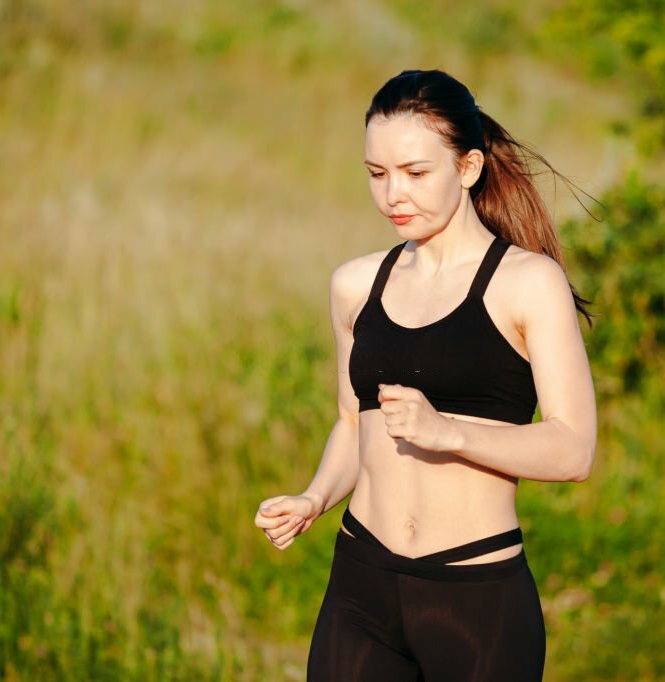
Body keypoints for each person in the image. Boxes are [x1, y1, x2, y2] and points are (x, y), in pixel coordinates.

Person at [254, 69, 597, 682]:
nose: (393, 196)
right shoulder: (355, 285)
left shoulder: (527, 283)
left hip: (475, 598)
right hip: (361, 584)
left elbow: (573, 449)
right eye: (376, 175)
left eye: (415, 174)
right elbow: (352, 424)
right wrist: (315, 496)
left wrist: (451, 432)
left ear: (467, 169)